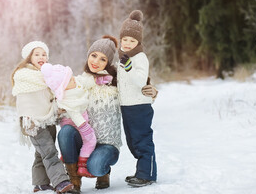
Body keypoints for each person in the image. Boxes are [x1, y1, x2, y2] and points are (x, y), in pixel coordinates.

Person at [57, 35, 157, 193]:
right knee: (65, 133)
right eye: (94, 55)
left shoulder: (116, 80)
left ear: (108, 62)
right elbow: (59, 93)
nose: (95, 62)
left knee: (95, 166)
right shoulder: (79, 82)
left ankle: (104, 173)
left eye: (102, 59)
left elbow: (138, 84)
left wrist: (151, 90)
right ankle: (74, 181)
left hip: (108, 144)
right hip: (85, 140)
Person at [11, 41, 74, 193]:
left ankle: (40, 183)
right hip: (32, 121)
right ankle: (61, 182)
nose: (41, 57)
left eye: (44, 54)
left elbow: (53, 93)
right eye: (36, 54)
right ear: (29, 57)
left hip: (47, 119)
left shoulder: (49, 75)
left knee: (42, 153)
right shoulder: (23, 75)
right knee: (49, 152)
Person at [117, 10, 157, 187]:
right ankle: (141, 170)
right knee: (132, 141)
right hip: (127, 106)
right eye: (125, 39)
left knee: (142, 140)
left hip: (139, 106)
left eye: (132, 41)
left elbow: (140, 80)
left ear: (138, 42)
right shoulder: (123, 57)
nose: (127, 43)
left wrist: (128, 67)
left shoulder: (140, 58)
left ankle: (147, 174)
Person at [40, 63, 97, 177]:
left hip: (78, 122)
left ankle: (65, 155)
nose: (74, 80)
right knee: (90, 141)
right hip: (78, 124)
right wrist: (85, 127)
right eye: (70, 80)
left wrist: (99, 80)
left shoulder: (74, 85)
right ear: (62, 88)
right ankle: (82, 164)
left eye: (71, 77)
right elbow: (75, 114)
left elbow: (83, 82)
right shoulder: (67, 98)